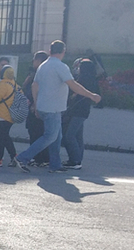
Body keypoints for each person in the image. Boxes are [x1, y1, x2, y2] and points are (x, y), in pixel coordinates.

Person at [15, 40, 101, 173]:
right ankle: (23, 158)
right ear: (63, 52)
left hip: (44, 106)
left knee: (57, 137)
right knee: (50, 136)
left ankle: (55, 164)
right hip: (53, 108)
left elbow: (34, 85)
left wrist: (36, 105)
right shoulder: (60, 67)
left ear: (50, 51)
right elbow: (73, 86)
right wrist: (91, 95)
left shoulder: (43, 65)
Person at [61, 57, 99, 170]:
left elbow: (75, 92)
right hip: (83, 111)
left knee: (69, 135)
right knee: (78, 136)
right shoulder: (92, 79)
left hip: (77, 110)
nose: (78, 69)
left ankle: (75, 160)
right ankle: (78, 159)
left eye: (79, 67)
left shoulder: (83, 79)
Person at [21, 51, 50, 166]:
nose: (33, 62)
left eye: (34, 60)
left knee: (36, 133)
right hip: (37, 106)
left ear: (38, 61)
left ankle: (39, 158)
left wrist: (34, 104)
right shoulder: (37, 73)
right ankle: (41, 158)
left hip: (36, 107)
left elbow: (36, 90)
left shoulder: (39, 73)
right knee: (36, 132)